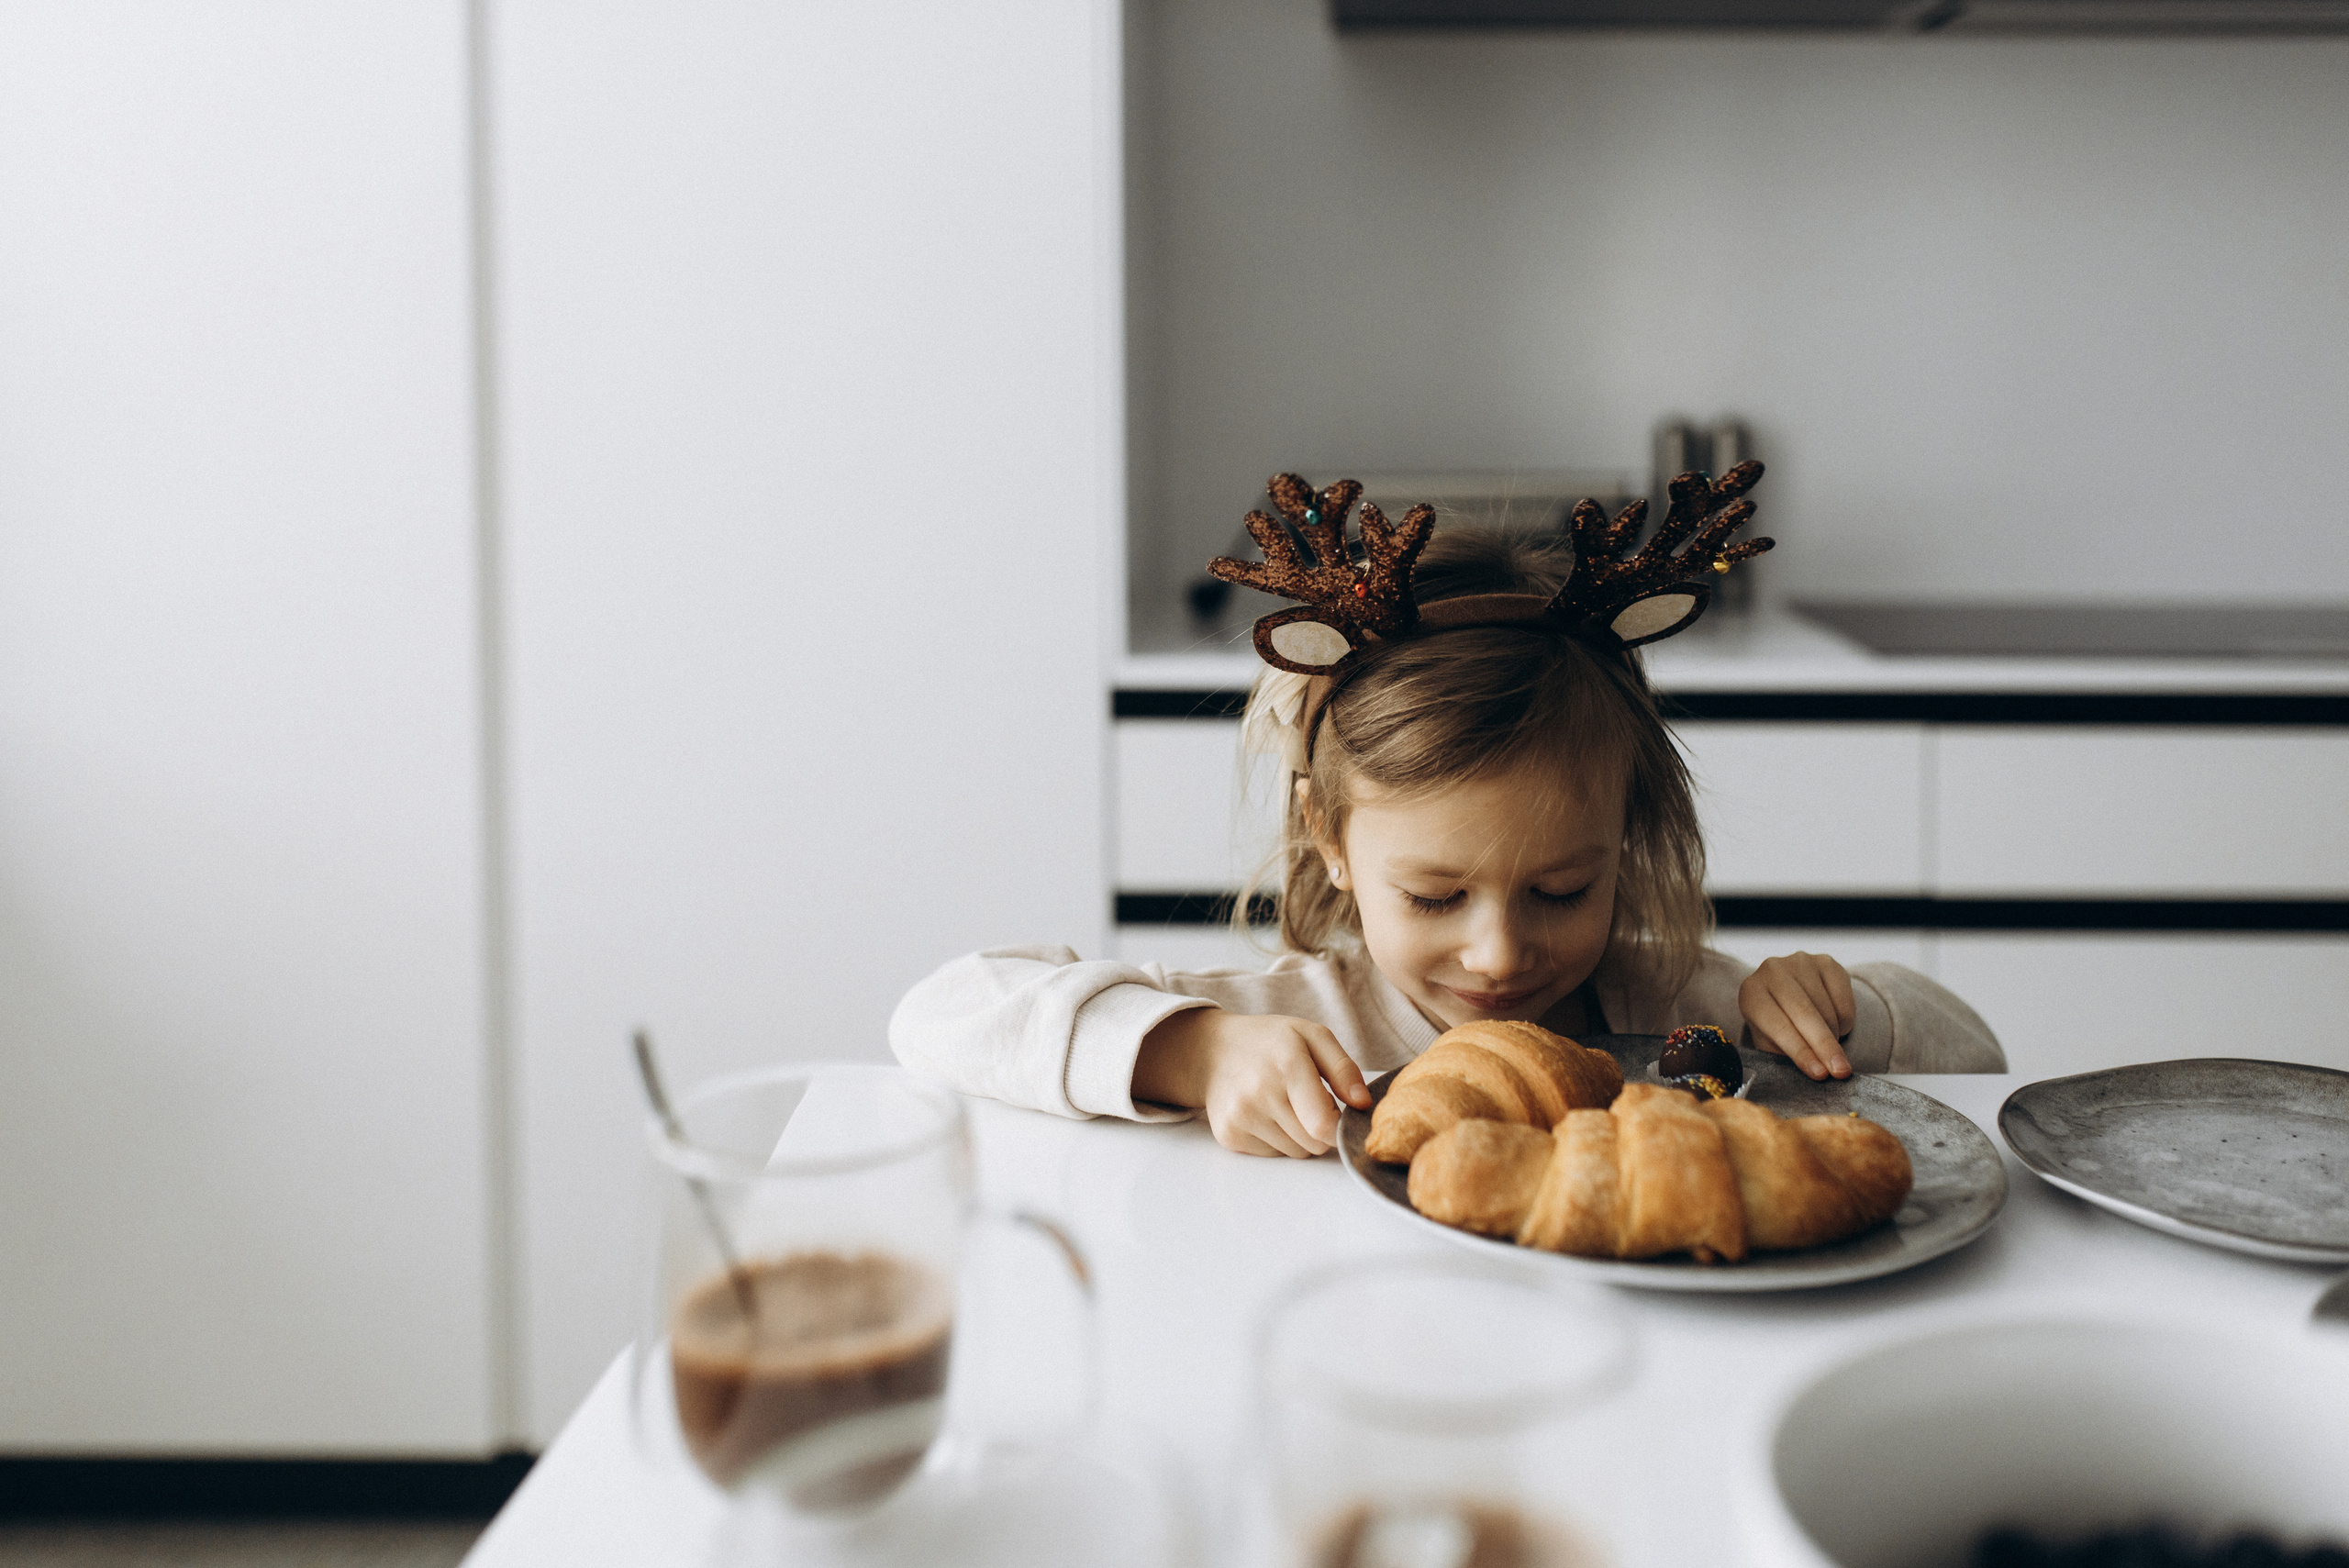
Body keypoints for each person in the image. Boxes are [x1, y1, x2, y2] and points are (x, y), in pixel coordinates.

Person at [891, 471, 2002, 1158]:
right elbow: (936, 1018)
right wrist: (1190, 1051)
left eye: (1562, 888)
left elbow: (1976, 1052)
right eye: (1433, 893)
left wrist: (1836, 1009)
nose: (1501, 949)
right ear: (1330, 837)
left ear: (1627, 830)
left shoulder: (1687, 1017)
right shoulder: (1304, 1022)